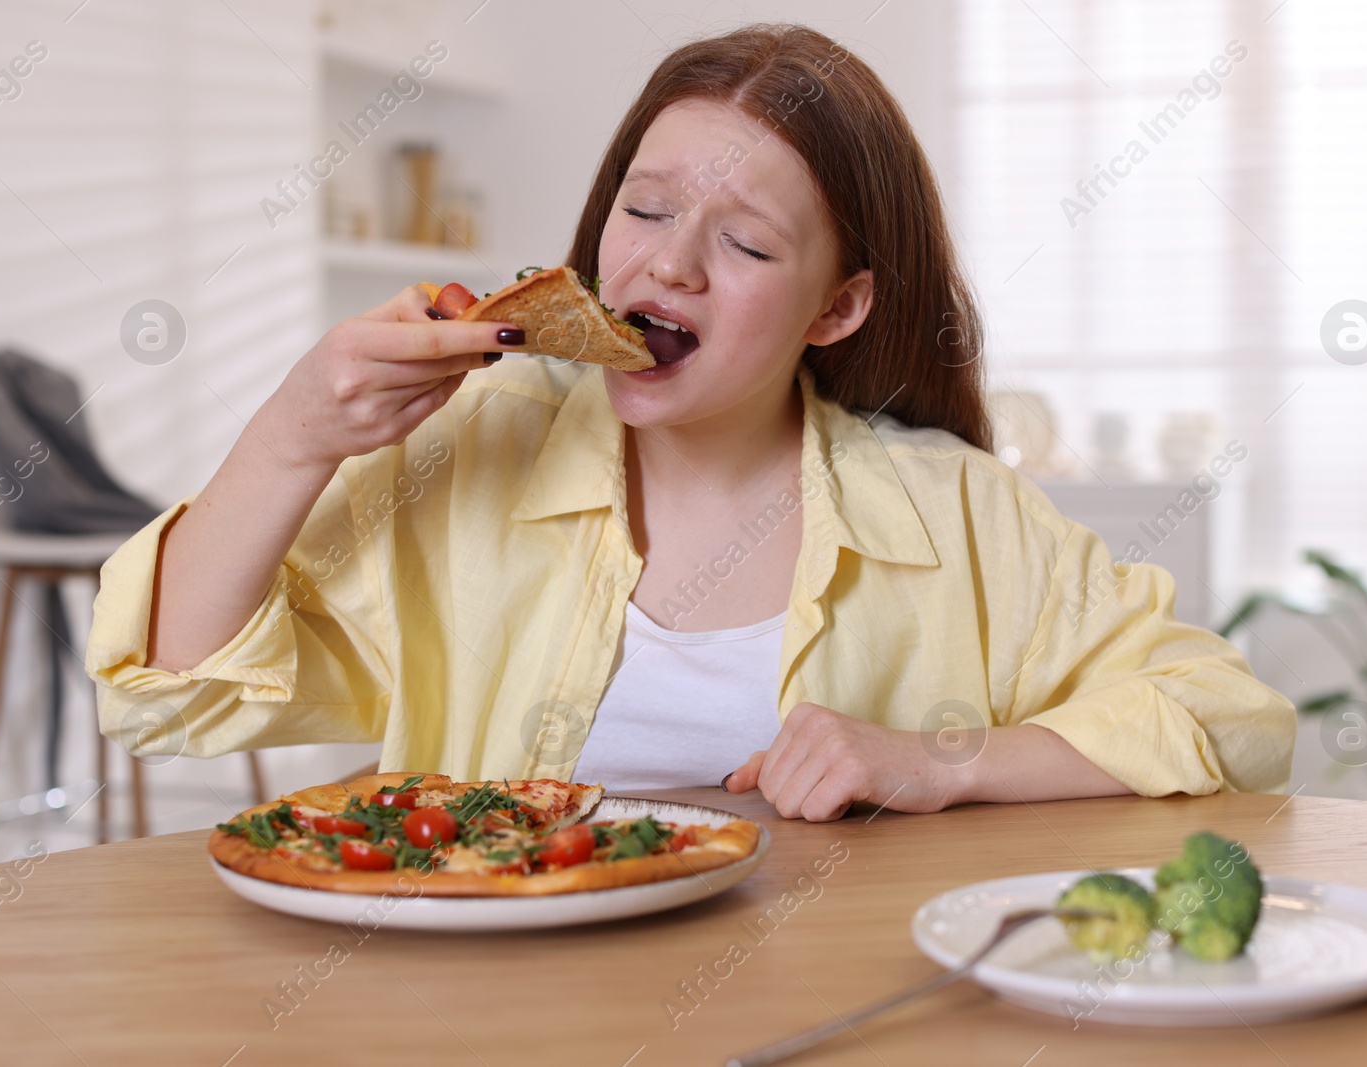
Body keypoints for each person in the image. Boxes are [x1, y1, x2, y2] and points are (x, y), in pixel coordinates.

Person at [87, 23, 1294, 822]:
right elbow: (170, 695)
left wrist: (935, 759)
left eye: (747, 243)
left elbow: (1227, 718)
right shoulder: (473, 448)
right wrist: (295, 435)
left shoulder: (955, 511)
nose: (667, 268)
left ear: (840, 304)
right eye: (644, 209)